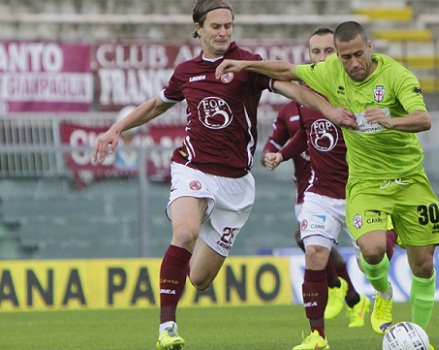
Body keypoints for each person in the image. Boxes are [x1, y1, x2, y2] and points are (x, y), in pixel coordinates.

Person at [92, 2, 354, 350]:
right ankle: (167, 329)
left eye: (228, 25)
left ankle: (174, 274)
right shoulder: (187, 71)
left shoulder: (247, 64)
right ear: (198, 28)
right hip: (193, 167)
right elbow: (157, 105)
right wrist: (116, 128)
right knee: (184, 232)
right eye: (215, 26)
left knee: (199, 279)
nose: (223, 32)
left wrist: (328, 109)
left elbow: (294, 89)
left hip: (236, 185)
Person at [216, 20, 439, 347]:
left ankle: (421, 340)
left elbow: (423, 119)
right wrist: (245, 64)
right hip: (365, 183)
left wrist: (390, 120)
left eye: (357, 55)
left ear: (370, 48)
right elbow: (287, 71)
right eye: (345, 57)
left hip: (411, 181)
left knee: (423, 265)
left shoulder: (397, 76)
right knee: (371, 248)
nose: (353, 64)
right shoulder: (329, 73)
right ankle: (381, 293)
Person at [262, 27, 382, 349]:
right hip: (321, 191)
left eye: (328, 51)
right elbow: (306, 131)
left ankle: (375, 297)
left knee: (371, 259)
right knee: (313, 251)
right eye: (315, 53)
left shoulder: (361, 88)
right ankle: (317, 338)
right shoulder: (306, 95)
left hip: (362, 191)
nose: (322, 58)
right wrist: (281, 154)